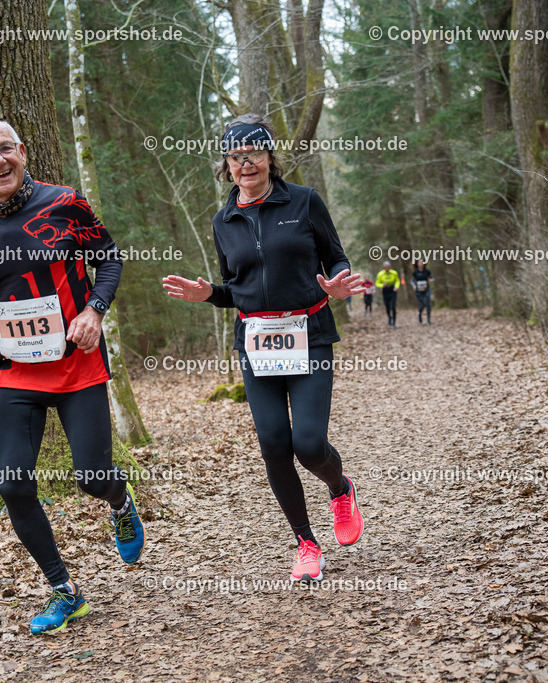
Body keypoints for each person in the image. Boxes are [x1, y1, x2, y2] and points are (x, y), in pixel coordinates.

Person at [0, 118, 144, 635]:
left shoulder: (65, 202)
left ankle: (119, 500)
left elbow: (107, 259)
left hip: (76, 361)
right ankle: (64, 591)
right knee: (13, 484)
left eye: (6, 148)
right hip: (14, 370)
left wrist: (94, 309)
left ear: (22, 152)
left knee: (93, 476)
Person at [162, 114, 364, 582]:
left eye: (254, 153)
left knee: (309, 443)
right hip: (257, 344)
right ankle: (307, 544)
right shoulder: (223, 220)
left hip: (309, 334)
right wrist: (208, 293)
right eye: (236, 156)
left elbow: (335, 255)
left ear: (271, 158)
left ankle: (339, 487)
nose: (245, 162)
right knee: (274, 444)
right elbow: (237, 288)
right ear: (227, 165)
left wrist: (337, 282)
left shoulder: (304, 201)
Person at [375, 261, 401, 328]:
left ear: (390, 267)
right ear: (383, 268)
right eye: (385, 267)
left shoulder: (394, 273)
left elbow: (397, 281)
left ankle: (394, 323)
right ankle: (389, 317)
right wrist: (382, 285)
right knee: (387, 307)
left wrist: (396, 287)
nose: (387, 268)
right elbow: (377, 283)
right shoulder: (380, 274)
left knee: (393, 306)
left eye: (388, 267)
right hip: (385, 291)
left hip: (392, 290)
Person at [411, 259, 434, 324]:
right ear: (417, 264)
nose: (421, 263)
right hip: (419, 290)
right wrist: (414, 286)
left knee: (428, 303)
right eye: (420, 262)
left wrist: (431, 280)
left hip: (426, 289)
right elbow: (412, 281)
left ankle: (428, 320)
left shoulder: (427, 271)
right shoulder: (415, 272)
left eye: (422, 262)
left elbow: (432, 278)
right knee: (422, 305)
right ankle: (419, 314)